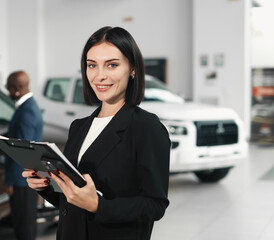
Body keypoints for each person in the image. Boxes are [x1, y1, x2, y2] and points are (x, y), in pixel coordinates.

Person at [23, 26, 171, 240]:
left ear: (133, 69)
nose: (99, 76)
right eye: (92, 65)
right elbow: (72, 199)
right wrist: (45, 186)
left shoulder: (146, 128)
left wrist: (98, 206)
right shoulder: (79, 127)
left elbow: (155, 205)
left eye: (111, 65)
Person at [4, 70, 43, 240]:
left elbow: (20, 151)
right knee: (25, 224)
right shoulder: (29, 106)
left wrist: (10, 181)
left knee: (24, 226)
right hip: (26, 178)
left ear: (18, 88)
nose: (8, 92)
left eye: (9, 88)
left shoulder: (26, 111)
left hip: (22, 180)